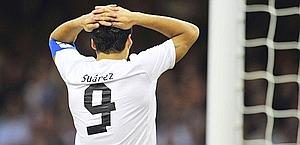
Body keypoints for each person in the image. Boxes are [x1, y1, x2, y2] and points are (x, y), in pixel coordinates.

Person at [49, 4, 199, 145]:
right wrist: (136, 18)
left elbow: (56, 40)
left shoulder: (76, 71)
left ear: (93, 44)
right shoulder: (141, 68)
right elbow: (190, 32)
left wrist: (81, 21)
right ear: (129, 41)